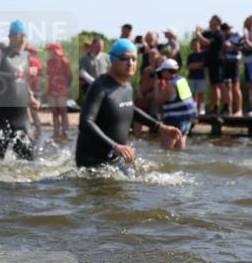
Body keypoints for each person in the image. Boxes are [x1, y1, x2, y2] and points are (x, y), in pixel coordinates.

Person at [75, 39, 182, 168]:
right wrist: (114, 146)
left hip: (115, 160)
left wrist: (160, 127)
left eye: (134, 59)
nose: (130, 63)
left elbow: (130, 108)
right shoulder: (100, 86)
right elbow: (86, 122)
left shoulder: (127, 86)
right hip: (92, 163)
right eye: (125, 58)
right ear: (113, 59)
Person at [0, 20, 41, 161]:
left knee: (30, 163)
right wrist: (16, 75)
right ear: (11, 37)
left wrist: (31, 97)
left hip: (21, 117)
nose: (23, 39)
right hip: (0, 116)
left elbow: (24, 82)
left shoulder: (26, 56)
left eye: (25, 35)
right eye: (19, 35)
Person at [154, 59, 197, 150]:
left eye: (162, 72)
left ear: (166, 71)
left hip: (174, 120)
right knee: (179, 150)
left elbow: (159, 100)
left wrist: (156, 86)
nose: (160, 75)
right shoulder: (182, 80)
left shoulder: (170, 84)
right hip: (187, 119)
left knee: (165, 151)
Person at [194, 16, 225, 113]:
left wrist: (198, 34)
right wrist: (199, 31)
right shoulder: (211, 33)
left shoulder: (219, 34)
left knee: (218, 85)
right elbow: (200, 39)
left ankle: (220, 107)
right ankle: (214, 107)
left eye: (211, 21)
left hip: (217, 63)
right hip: (211, 63)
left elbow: (206, 42)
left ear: (217, 23)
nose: (209, 23)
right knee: (214, 86)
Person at [45, 43, 73, 140]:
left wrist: (66, 88)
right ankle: (56, 132)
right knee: (54, 112)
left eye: (50, 51)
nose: (49, 53)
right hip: (52, 90)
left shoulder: (64, 61)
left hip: (62, 90)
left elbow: (70, 76)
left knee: (63, 111)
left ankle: (65, 132)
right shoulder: (49, 62)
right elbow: (49, 74)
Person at [220, 22, 244, 115]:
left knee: (236, 86)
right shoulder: (223, 37)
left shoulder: (237, 35)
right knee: (227, 86)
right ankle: (228, 109)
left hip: (235, 62)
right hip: (226, 62)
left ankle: (239, 110)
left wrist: (231, 46)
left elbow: (242, 48)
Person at [186, 38, 208, 115]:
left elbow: (202, 64)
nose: (195, 46)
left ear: (199, 45)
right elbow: (189, 66)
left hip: (201, 76)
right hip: (192, 77)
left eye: (196, 44)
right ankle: (194, 108)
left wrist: (194, 65)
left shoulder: (203, 54)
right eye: (193, 44)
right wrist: (196, 65)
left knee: (201, 93)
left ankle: (201, 108)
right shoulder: (190, 55)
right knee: (193, 93)